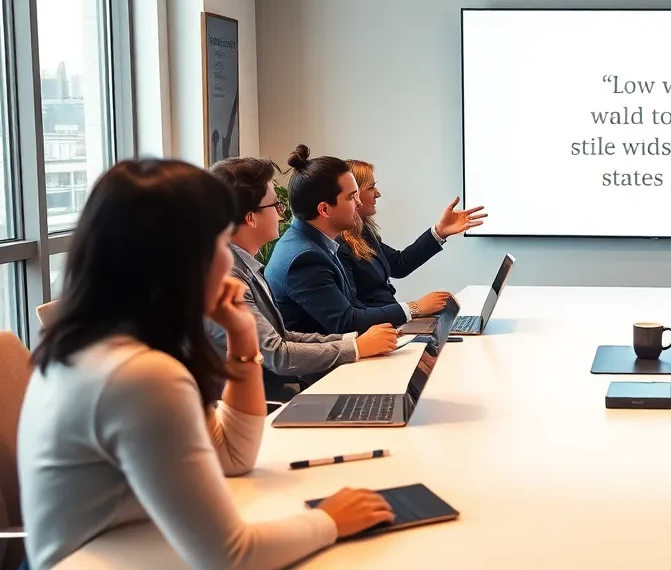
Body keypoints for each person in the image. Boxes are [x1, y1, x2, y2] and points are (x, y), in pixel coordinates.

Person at [13, 159, 394, 570]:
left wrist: (242, 333)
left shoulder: (106, 344)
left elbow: (232, 456)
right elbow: (231, 559)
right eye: (218, 240)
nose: (228, 256)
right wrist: (330, 519)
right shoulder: (139, 376)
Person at [205, 157, 400, 399]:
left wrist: (356, 341)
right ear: (250, 217)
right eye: (275, 206)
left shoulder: (244, 265)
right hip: (248, 410)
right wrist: (356, 347)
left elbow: (283, 335)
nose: (282, 213)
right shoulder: (226, 280)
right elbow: (276, 354)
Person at [265, 145, 452, 335]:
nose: (359, 203)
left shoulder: (317, 242)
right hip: (331, 360)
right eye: (352, 197)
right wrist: (414, 308)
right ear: (324, 210)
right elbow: (347, 321)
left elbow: (353, 307)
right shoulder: (305, 258)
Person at [338, 158, 486, 309]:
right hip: (379, 328)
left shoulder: (364, 233)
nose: (378, 194)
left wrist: (440, 231)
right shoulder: (339, 245)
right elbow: (353, 312)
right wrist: (415, 309)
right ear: (353, 193)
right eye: (371, 187)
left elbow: (399, 265)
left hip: (391, 321)